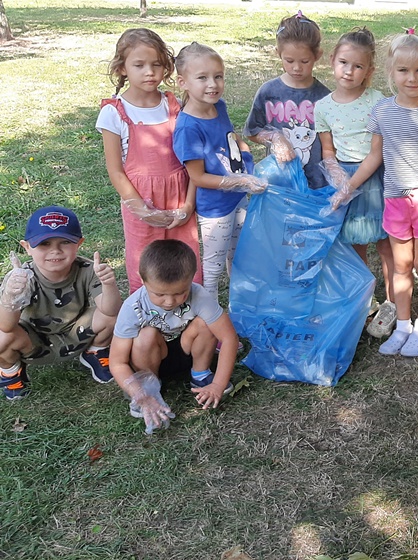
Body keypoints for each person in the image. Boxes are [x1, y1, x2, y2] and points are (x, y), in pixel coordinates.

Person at [344, 31, 418, 358]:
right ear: (391, 72)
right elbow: (375, 156)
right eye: (404, 70)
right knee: (402, 266)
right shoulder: (381, 111)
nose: (412, 78)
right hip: (394, 200)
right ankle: (403, 323)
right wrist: (349, 185)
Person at [97, 28, 201, 293]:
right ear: (122, 69)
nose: (149, 72)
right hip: (141, 202)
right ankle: (147, 323)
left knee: (186, 259)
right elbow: (116, 171)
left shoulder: (173, 104)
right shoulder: (114, 113)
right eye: (139, 65)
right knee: (144, 263)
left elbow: (192, 162)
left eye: (156, 65)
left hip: (179, 197)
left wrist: (188, 205)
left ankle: (190, 321)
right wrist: (143, 211)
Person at [315, 26, 396, 336]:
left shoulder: (379, 101)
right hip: (345, 182)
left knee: (385, 244)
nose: (349, 71)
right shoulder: (322, 107)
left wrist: (352, 183)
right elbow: (327, 149)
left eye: (358, 66)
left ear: (369, 70)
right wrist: (338, 178)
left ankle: (393, 302)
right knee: (355, 245)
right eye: (343, 63)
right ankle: (364, 300)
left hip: (374, 178)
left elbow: (378, 152)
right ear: (332, 60)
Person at [109, 240, 239, 432]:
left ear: (191, 279)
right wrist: (138, 393)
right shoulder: (132, 307)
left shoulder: (199, 294)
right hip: (152, 356)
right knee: (146, 335)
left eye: (180, 293)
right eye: (159, 294)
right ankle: (150, 385)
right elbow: (117, 362)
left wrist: (218, 385)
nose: (169, 301)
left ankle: (200, 374)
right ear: (143, 281)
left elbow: (229, 338)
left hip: (186, 349)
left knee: (206, 324)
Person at [172, 42, 266, 301]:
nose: (212, 84)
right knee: (212, 269)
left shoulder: (219, 106)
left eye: (218, 76)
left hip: (239, 197)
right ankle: (210, 322)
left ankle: (240, 306)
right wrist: (238, 181)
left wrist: (251, 166)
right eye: (202, 78)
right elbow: (198, 177)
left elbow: (232, 138)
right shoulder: (188, 128)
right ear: (183, 82)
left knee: (241, 256)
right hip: (216, 209)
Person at [0, 206, 122, 399]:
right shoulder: (22, 278)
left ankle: (95, 351)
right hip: (33, 339)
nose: (55, 251)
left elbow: (111, 310)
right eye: (44, 244)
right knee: (2, 337)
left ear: (79, 243)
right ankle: (10, 370)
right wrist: (10, 296)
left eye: (65, 242)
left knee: (114, 313)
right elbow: (6, 326)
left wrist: (108, 284)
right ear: (27, 247)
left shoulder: (88, 269)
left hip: (76, 332)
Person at [244, 11, 331, 188]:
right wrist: (275, 137)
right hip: (280, 182)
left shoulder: (325, 97)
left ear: (317, 55)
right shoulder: (268, 92)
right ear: (278, 53)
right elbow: (252, 131)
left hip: (316, 183)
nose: (297, 68)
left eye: (304, 61)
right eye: (289, 60)